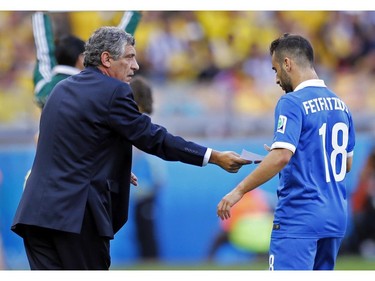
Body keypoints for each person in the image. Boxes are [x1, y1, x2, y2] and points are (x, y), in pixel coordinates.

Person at [11, 26, 250, 270]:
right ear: (106, 59)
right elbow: (154, 138)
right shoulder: (114, 91)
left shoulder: (61, 89)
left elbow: (65, 146)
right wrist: (213, 156)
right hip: (75, 216)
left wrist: (112, 167)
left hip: (35, 215)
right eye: (129, 57)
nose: (135, 66)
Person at [217, 33, 356, 270]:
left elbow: (281, 156)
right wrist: (301, 152)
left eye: (274, 70)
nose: (276, 79)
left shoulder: (292, 102)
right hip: (335, 217)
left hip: (300, 217)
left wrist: (239, 191)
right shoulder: (340, 104)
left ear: (287, 64)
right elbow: (346, 164)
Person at [32, 11, 142, 110]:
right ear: (81, 59)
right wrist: (134, 13)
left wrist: (39, 14)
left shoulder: (44, 86)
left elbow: (44, 51)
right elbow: (117, 46)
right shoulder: (92, 87)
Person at [130, 76, 165, 260]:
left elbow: (158, 175)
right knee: (142, 232)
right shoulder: (145, 127)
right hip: (142, 193)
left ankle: (151, 261)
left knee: (147, 233)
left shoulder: (146, 130)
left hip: (146, 194)